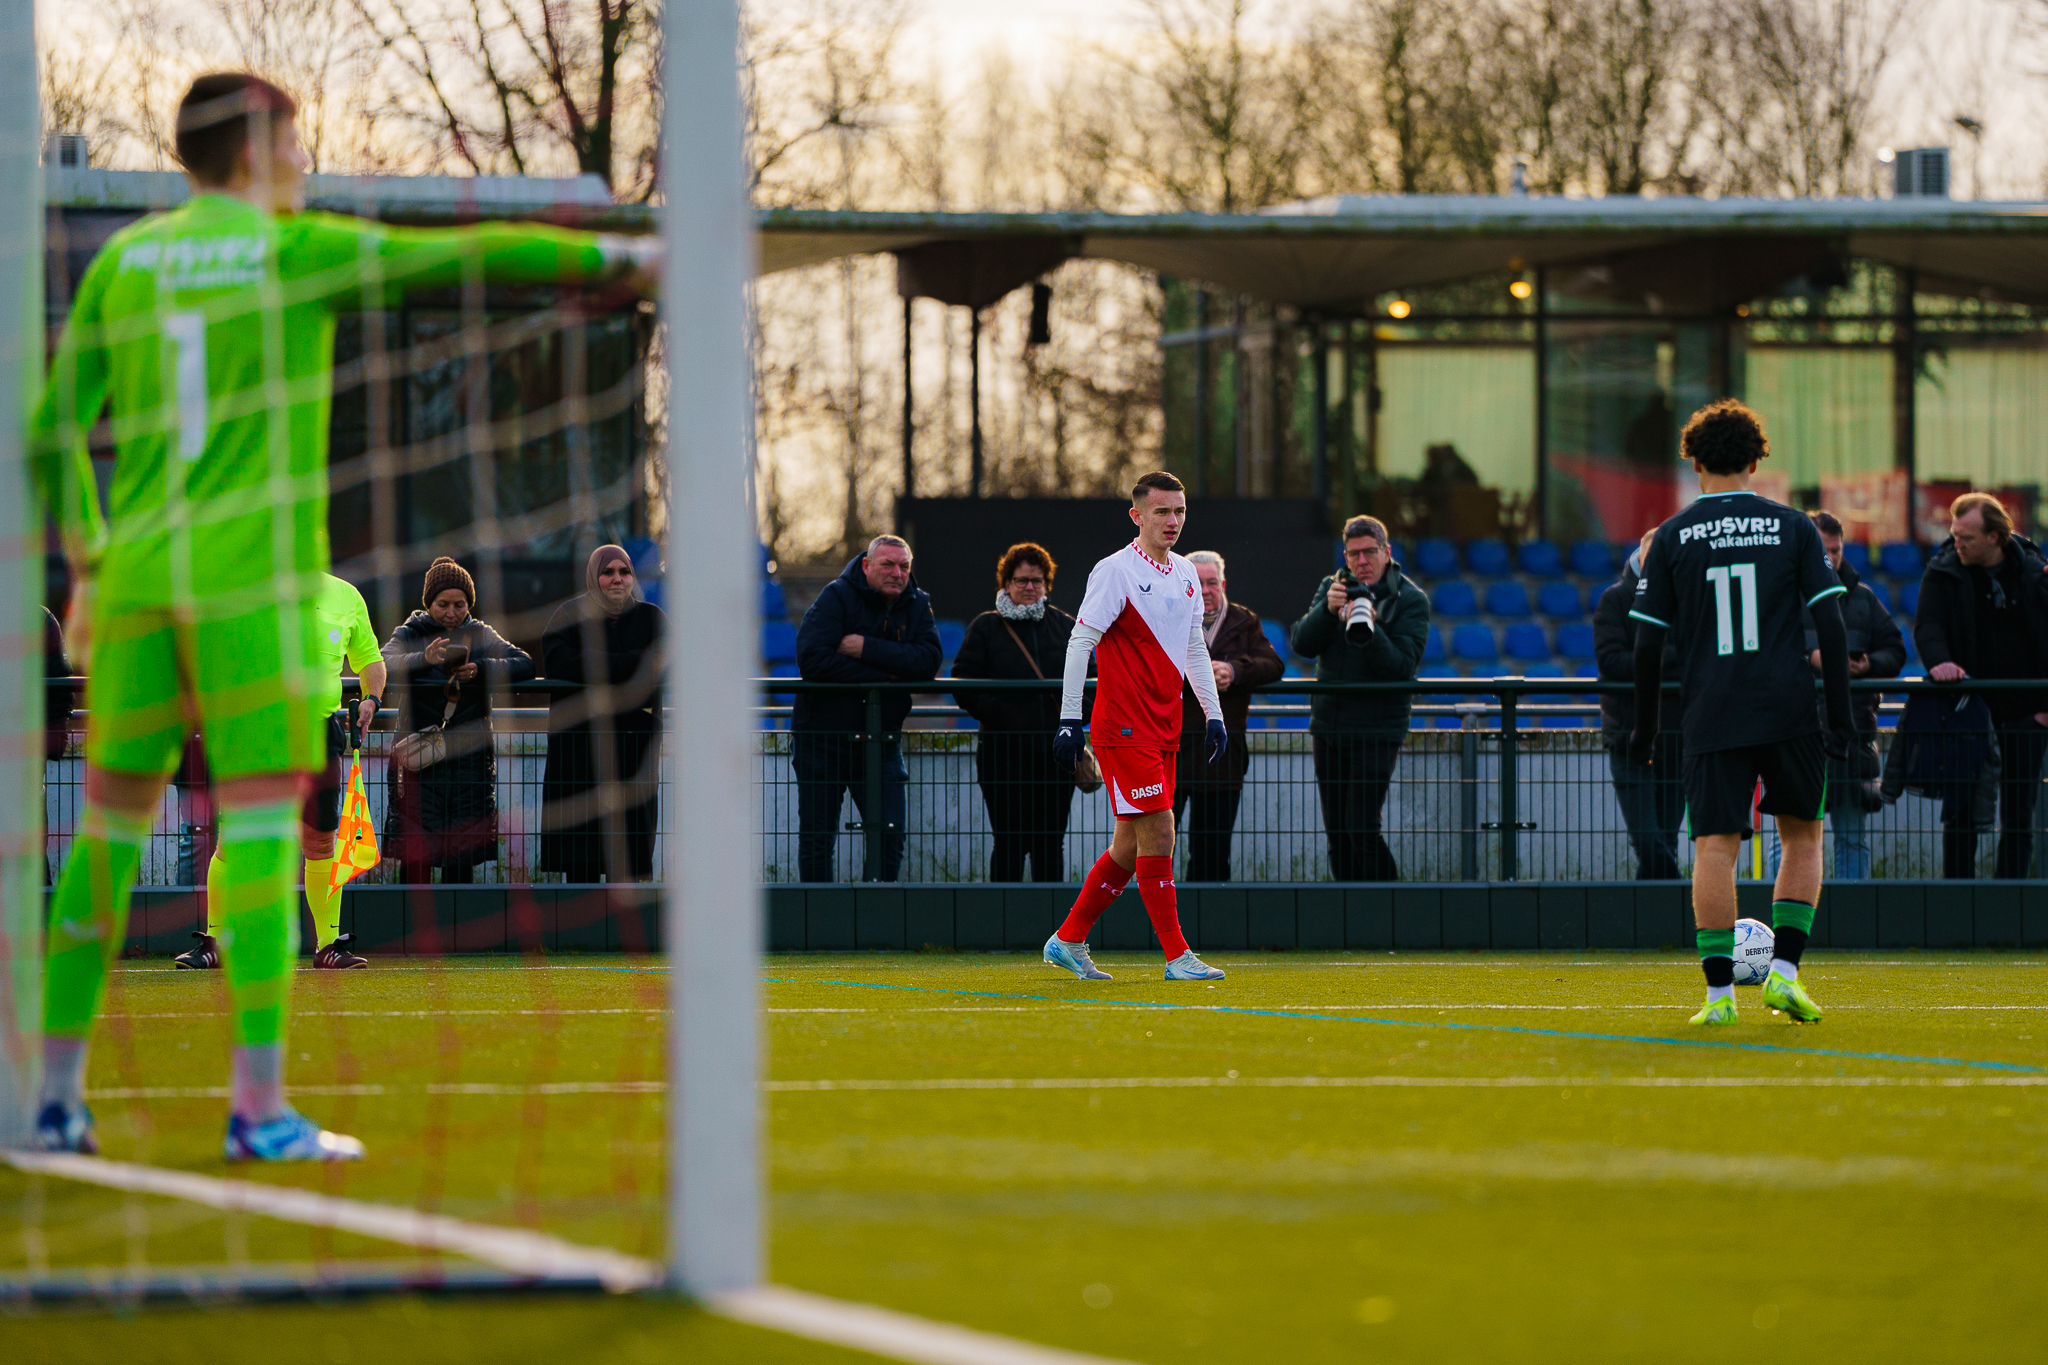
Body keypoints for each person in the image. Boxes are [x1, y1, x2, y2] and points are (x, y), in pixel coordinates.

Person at [27, 72, 655, 1160]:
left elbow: (47, 439)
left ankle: (48, 1098)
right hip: (248, 593)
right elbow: (461, 256)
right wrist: (619, 259)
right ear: (261, 147)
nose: (305, 164)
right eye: (297, 143)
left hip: (133, 591)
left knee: (105, 845)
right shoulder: (292, 246)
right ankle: (259, 1110)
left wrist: (86, 570)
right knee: (269, 840)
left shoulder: (125, 261)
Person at [1628, 399, 1852, 1026]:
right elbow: (1830, 625)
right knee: (1802, 836)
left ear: (1693, 461)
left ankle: (1719, 998)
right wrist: (1842, 718)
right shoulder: (1796, 527)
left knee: (1714, 848)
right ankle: (1784, 975)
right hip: (1787, 707)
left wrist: (1646, 728)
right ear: (1757, 460)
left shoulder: (1671, 536)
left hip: (1712, 712)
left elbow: (1646, 643)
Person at [1045, 471, 1228, 983]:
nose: (1172, 521)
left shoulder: (1188, 573)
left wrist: (1212, 713)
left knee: (1129, 841)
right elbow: (1080, 643)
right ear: (1137, 515)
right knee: (1162, 829)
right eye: (1162, 512)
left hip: (1164, 725)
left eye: (1179, 511)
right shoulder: (1115, 571)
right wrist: (1068, 719)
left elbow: (1194, 646)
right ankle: (1177, 958)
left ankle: (1068, 939)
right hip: (1122, 727)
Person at [179, 572, 387, 970]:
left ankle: (329, 945)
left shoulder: (346, 594)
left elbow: (371, 661)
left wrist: (372, 698)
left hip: (319, 732)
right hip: (257, 729)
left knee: (321, 842)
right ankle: (216, 941)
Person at [1762, 512, 1904, 880]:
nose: (1831, 558)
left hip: (1852, 737)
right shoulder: (1780, 598)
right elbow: (1761, 653)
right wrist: (1811, 659)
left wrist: (1866, 664)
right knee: (1789, 841)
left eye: (1836, 550)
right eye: (1824, 551)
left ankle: (1846, 922)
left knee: (1851, 838)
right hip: (1795, 733)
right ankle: (1792, 916)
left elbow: (1895, 651)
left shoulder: (1864, 599)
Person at [791, 535, 941, 882]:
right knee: (818, 838)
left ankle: (881, 920)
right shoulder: (836, 597)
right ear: (866, 565)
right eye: (887, 564)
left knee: (890, 836)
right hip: (821, 741)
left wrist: (865, 648)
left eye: (904, 566)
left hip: (881, 741)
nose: (897, 573)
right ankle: (816, 925)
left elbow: (929, 661)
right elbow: (812, 660)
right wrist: (893, 671)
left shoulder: (917, 604)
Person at [1914, 492, 2048, 879]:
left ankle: (2011, 911)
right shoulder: (1942, 572)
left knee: (2019, 817)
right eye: (1955, 535)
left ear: (1994, 537)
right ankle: (1958, 908)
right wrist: (1939, 663)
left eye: (1966, 538)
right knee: (1961, 816)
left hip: (2027, 716)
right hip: (1967, 714)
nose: (1957, 544)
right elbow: (1928, 627)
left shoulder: (2034, 574)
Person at [1290, 515, 1430, 882]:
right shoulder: (1333, 586)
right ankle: (1347, 918)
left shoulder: (1410, 599)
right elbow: (1302, 643)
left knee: (1362, 829)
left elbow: (1401, 667)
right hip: (1330, 726)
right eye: (1353, 554)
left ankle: (1390, 910)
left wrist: (1367, 624)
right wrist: (1327, 611)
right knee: (1337, 834)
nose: (1361, 562)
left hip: (1378, 730)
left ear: (1387, 552)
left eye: (1369, 552)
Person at [383, 558, 533, 886]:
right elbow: (382, 660)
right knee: (416, 849)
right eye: (443, 605)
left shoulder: (480, 632)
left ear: (470, 604)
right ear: (428, 603)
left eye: (459, 605)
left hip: (469, 760)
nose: (452, 613)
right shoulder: (410, 631)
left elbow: (525, 663)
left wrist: (481, 669)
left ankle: (456, 929)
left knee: (462, 849)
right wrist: (423, 659)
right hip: (419, 761)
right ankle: (410, 928)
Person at [950, 543, 1083, 882]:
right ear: (1005, 583)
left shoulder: (1065, 626)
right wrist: (1006, 714)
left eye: (1037, 581)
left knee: (1050, 844)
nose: (1029, 587)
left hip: (1055, 757)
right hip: (1002, 754)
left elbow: (1090, 679)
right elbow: (963, 682)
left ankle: (1053, 925)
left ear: (1046, 585)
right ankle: (1004, 926)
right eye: (1021, 580)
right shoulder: (985, 627)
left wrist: (1072, 719)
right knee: (1008, 843)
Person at [540, 545, 666, 883]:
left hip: (633, 756)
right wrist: (630, 667)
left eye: (624, 572)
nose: (617, 579)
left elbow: (663, 670)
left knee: (628, 858)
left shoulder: (653, 618)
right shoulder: (567, 615)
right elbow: (558, 662)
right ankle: (580, 937)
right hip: (579, 755)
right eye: (608, 572)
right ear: (594, 577)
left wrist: (593, 666)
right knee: (580, 856)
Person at [1173, 551, 1282, 881]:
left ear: (1222, 584)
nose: (1205, 590)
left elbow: (1274, 665)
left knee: (1212, 852)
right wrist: (1197, 675)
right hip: (1170, 752)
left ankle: (1207, 925)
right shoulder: (1167, 615)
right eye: (1197, 582)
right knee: (1153, 847)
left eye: (1211, 582)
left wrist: (1235, 671)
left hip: (1223, 757)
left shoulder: (1244, 620)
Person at [1596, 531, 1684, 880]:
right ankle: (1681, 897)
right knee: (1649, 840)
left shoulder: (1683, 602)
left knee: (1665, 840)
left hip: (1675, 739)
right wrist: (1664, 660)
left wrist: (1649, 660)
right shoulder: (1615, 600)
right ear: (1641, 556)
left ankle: (1655, 926)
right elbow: (1611, 662)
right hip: (1628, 738)